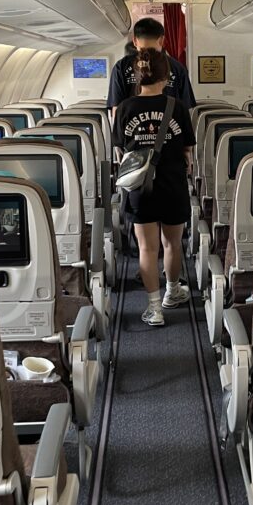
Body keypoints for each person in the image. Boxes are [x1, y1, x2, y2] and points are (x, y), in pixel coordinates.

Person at [113, 48, 196, 326]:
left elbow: (120, 153)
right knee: (172, 243)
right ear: (168, 75)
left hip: (140, 187)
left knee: (147, 249)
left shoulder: (124, 108)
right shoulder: (179, 108)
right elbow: (187, 151)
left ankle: (153, 309)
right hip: (172, 184)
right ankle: (172, 293)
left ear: (136, 75)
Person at [106, 18, 196, 116]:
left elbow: (117, 108)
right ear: (161, 40)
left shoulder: (121, 67)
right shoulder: (177, 68)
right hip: (171, 128)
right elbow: (186, 108)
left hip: (132, 129)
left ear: (135, 41)